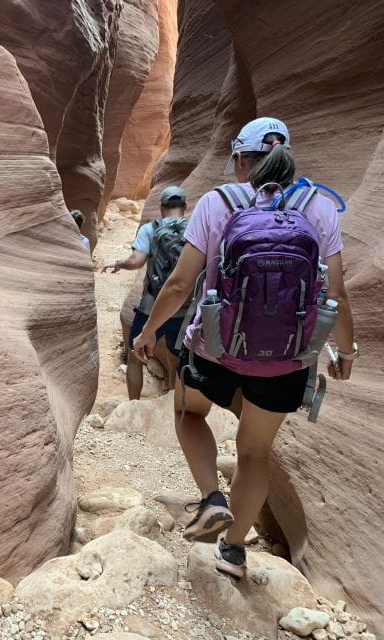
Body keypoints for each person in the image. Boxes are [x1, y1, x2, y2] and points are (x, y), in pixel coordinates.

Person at [132, 117, 357, 579]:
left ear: (239, 158)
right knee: (254, 453)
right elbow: (336, 291)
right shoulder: (318, 208)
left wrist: (148, 332)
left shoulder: (218, 203)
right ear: (288, 158)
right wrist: (346, 351)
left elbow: (179, 284)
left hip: (216, 348)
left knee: (188, 413)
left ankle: (212, 499)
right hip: (289, 360)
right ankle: (233, 553)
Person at [102, 186, 189, 399]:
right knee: (176, 359)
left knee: (135, 356)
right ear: (185, 207)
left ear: (161, 208)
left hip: (152, 306)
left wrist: (119, 263)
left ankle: (134, 403)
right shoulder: (194, 228)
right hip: (184, 307)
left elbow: (137, 261)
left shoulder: (150, 229)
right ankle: (172, 406)